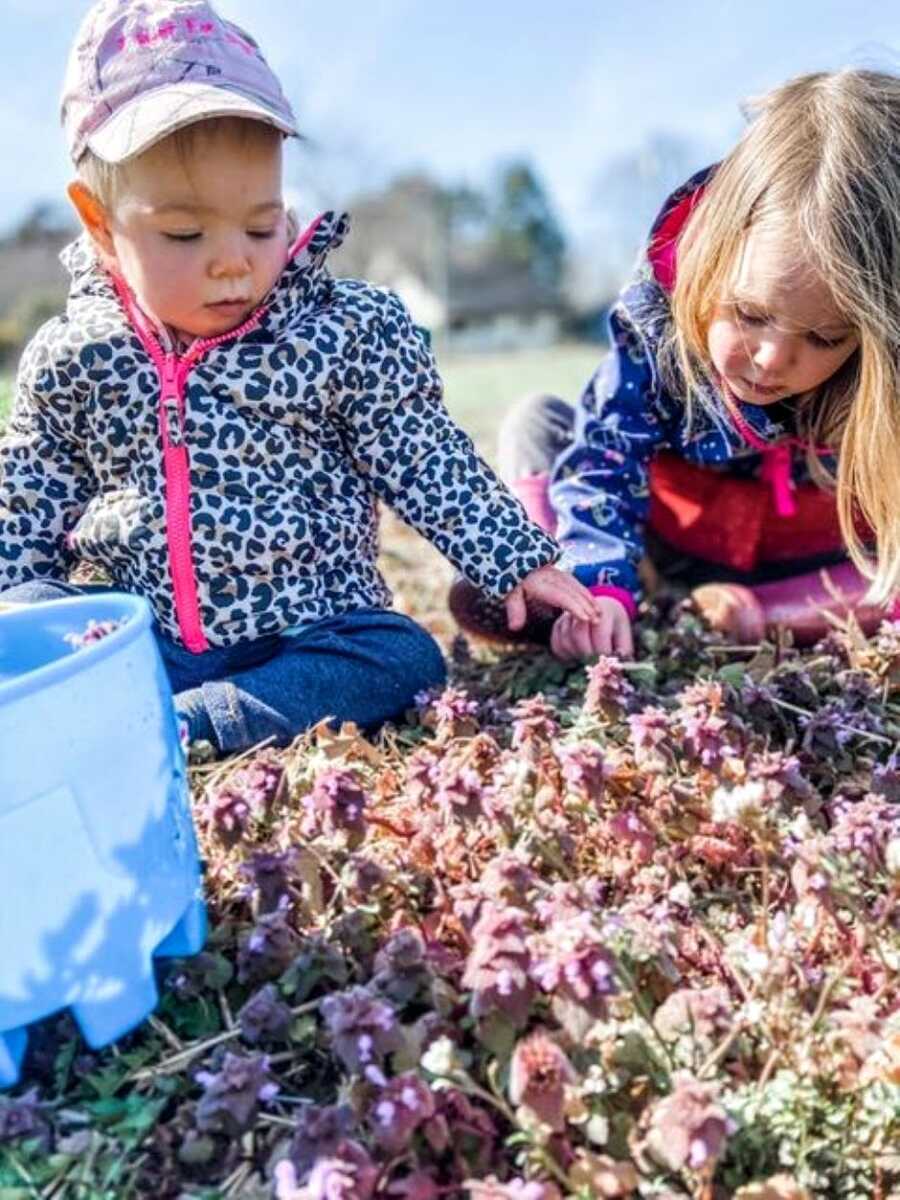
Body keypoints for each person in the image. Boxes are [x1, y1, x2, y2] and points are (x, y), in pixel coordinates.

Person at [0, 0, 599, 754]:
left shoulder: (337, 331)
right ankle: (119, 704)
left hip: (311, 631)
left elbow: (423, 454)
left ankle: (209, 719)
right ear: (99, 225)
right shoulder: (76, 358)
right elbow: (27, 501)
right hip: (140, 634)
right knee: (26, 607)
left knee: (404, 657)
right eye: (185, 233)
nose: (234, 260)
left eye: (261, 224)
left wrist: (515, 558)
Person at [450, 69, 898, 658]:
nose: (771, 359)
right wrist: (601, 577)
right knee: (540, 422)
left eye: (824, 337)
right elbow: (606, 460)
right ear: (710, 254)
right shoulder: (657, 331)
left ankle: (752, 616)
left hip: (815, 564)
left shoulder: (879, 374)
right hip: (665, 532)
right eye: (750, 313)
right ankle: (557, 585)